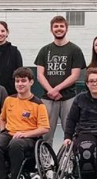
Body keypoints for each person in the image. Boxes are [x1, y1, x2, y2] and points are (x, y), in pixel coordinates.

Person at [0, 67, 50, 179]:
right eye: (17, 81)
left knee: (15, 144)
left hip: (29, 137)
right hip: (9, 133)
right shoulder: (9, 100)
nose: (20, 84)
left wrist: (25, 134)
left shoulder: (38, 104)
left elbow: (44, 128)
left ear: (31, 82)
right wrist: (2, 132)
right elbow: (3, 118)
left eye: (23, 81)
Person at [35, 15, 86, 145]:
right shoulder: (44, 50)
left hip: (68, 98)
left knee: (71, 133)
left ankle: (70, 162)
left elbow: (75, 75)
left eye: (61, 26)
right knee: (45, 134)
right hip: (47, 98)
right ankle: (46, 164)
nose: (59, 29)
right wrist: (50, 91)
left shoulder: (75, 50)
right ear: (51, 29)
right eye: (56, 26)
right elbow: (40, 74)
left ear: (66, 29)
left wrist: (57, 89)